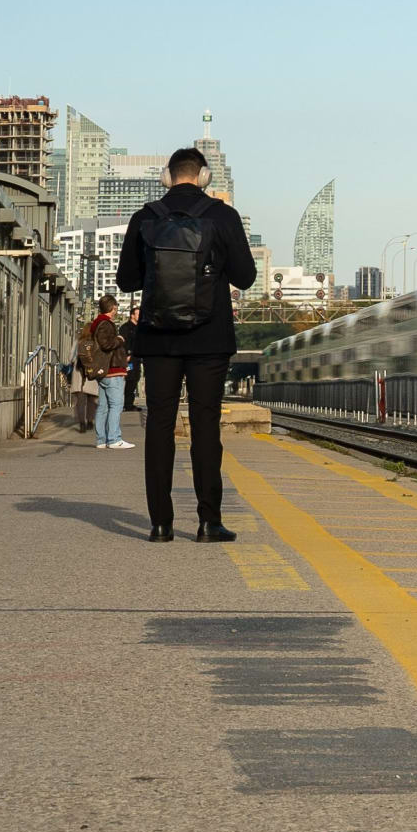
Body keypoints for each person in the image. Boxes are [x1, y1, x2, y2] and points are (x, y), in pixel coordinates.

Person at [115, 147, 254, 541]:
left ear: (167, 176)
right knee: (205, 427)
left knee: (159, 426)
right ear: (204, 177)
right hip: (209, 337)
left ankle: (160, 524)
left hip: (158, 339)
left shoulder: (145, 217)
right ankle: (209, 521)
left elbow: (127, 280)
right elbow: (244, 277)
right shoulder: (223, 216)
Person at [77, 301, 131, 451]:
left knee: (103, 406)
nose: (116, 311)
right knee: (116, 405)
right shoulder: (105, 324)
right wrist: (119, 339)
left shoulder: (96, 324)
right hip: (113, 370)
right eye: (115, 309)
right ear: (112, 308)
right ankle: (114, 439)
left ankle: (101, 440)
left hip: (105, 372)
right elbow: (106, 344)